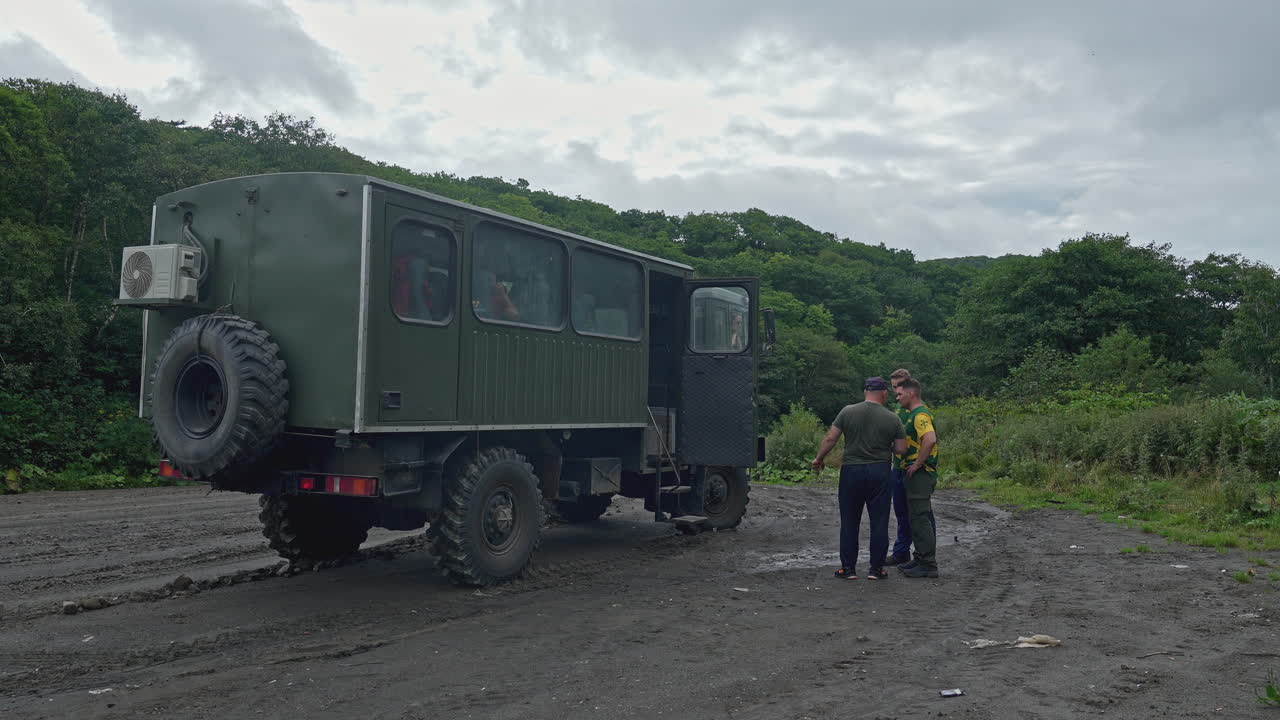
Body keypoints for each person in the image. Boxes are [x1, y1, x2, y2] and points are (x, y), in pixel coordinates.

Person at [812, 377, 907, 580]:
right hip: (880, 471)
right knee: (879, 522)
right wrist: (884, 445)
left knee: (849, 521)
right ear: (883, 394)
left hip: (851, 471)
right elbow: (901, 449)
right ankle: (876, 569)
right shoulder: (892, 418)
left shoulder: (847, 411)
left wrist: (819, 459)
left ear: (865, 392)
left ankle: (848, 569)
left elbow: (831, 438)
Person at [893, 378, 940, 578]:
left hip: (921, 474)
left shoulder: (920, 415)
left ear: (911, 393)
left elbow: (930, 439)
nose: (897, 397)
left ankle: (928, 564)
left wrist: (917, 464)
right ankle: (920, 558)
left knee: (920, 518)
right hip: (914, 472)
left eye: (899, 393)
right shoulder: (912, 414)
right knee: (915, 517)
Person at [885, 368, 915, 566]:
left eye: (900, 386)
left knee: (920, 512)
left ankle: (924, 552)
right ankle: (902, 551)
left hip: (912, 467)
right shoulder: (897, 411)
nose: (897, 392)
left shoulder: (916, 411)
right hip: (897, 466)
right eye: (894, 387)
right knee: (901, 512)